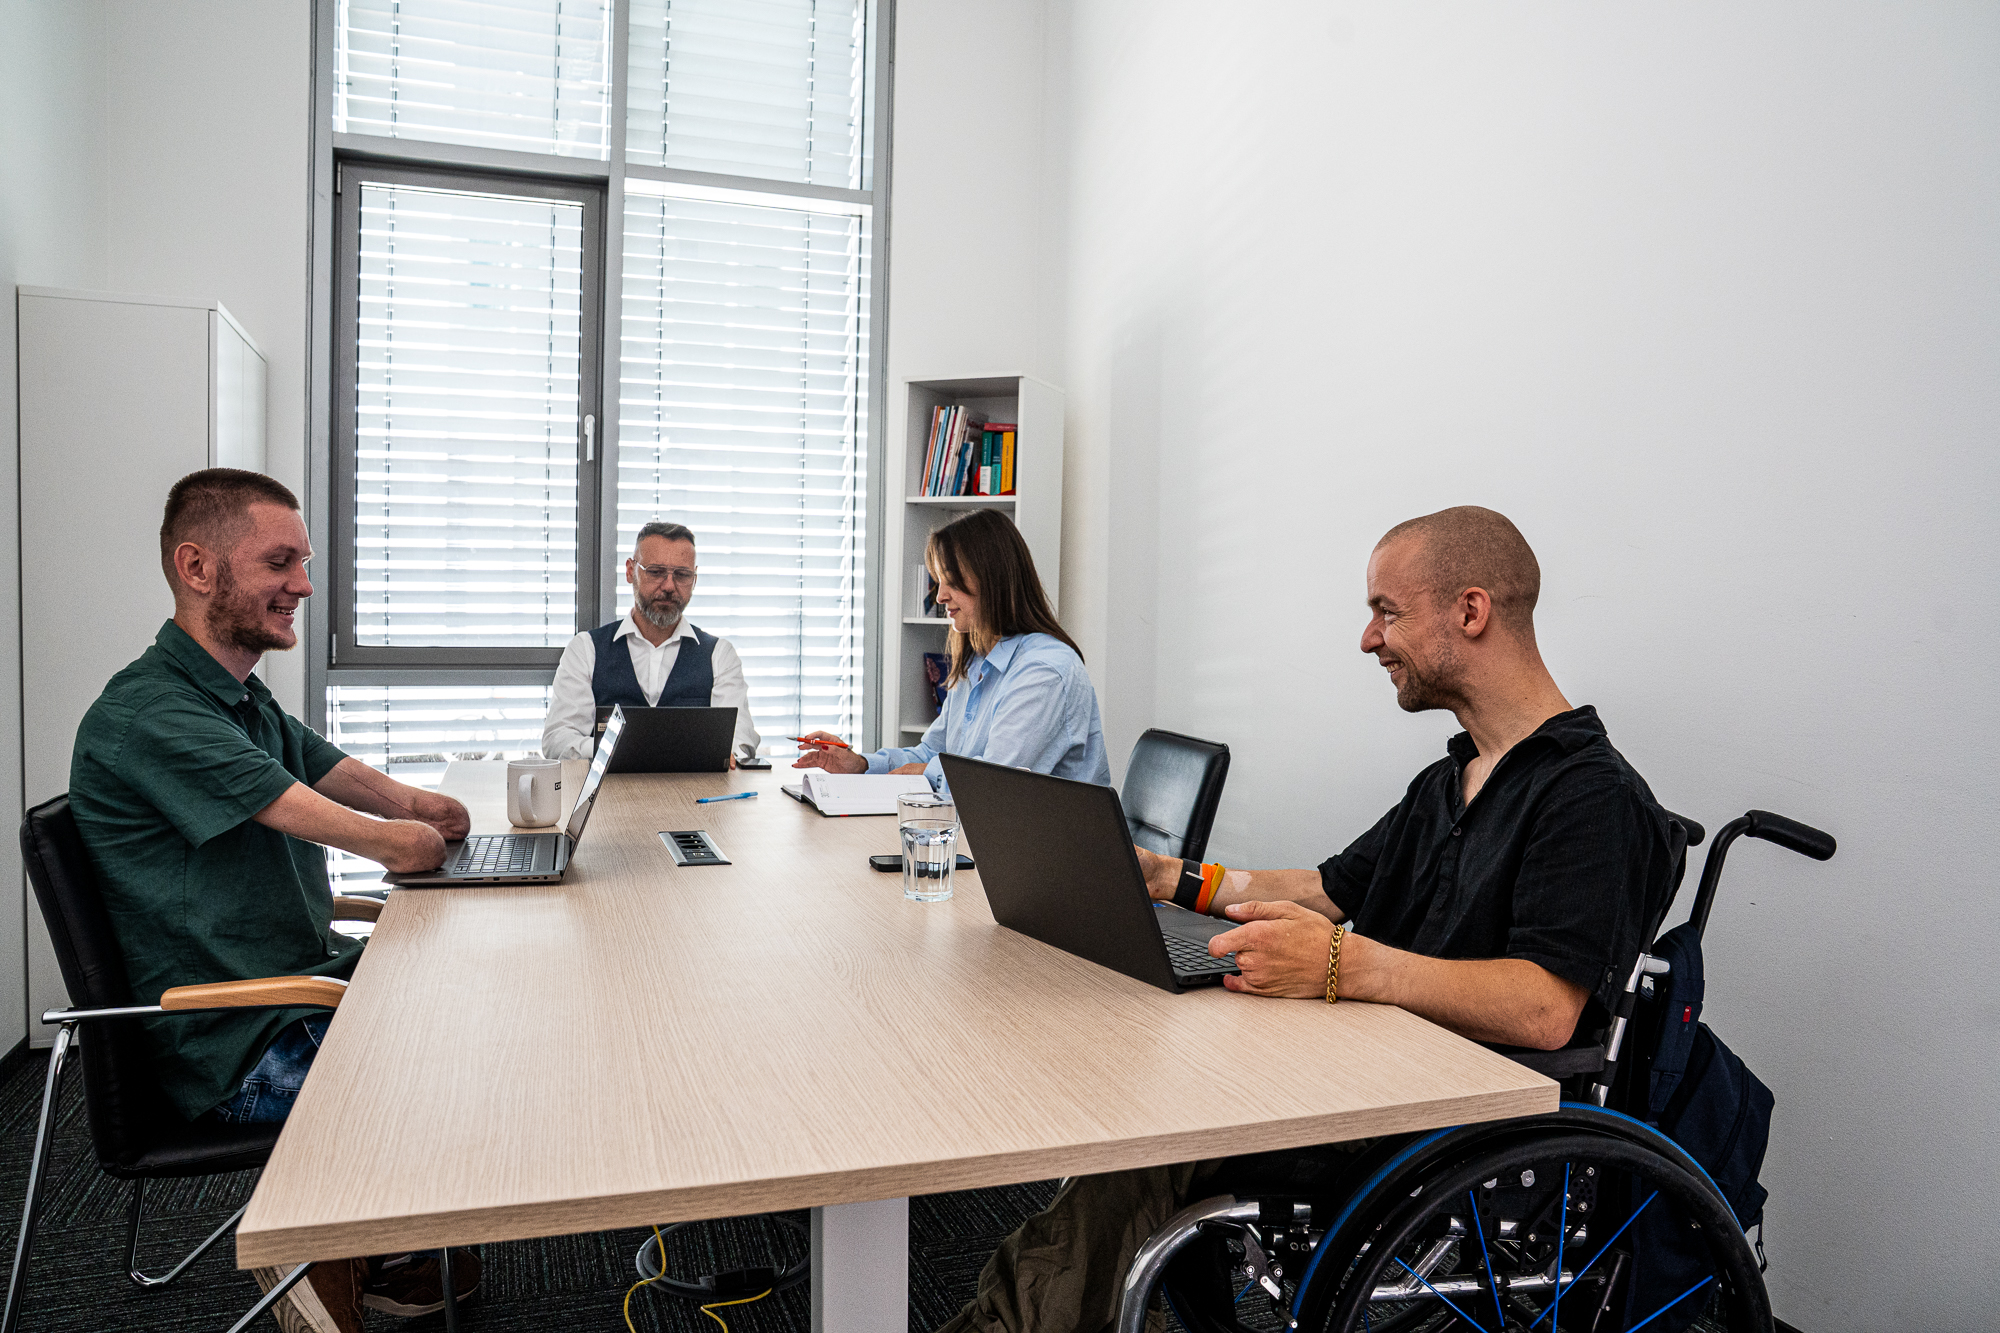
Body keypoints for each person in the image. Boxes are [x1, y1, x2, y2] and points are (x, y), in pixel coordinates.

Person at [936, 506, 1675, 1333]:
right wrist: (1173, 877)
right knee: (1149, 1093)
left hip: (1434, 1125)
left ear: (1471, 611)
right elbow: (1326, 887)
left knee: (1158, 1126)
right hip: (1369, 1072)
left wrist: (1341, 964)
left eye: (1387, 611)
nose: (1369, 638)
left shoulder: (1591, 796)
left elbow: (1544, 1008)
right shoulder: (1455, 780)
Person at [69, 469, 478, 1333]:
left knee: (470, 1007)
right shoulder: (153, 713)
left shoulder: (237, 695)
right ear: (197, 568)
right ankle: (312, 1249)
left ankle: (376, 1246)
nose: (304, 584)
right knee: (458, 1059)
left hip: (291, 991)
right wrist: (410, 836)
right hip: (235, 1045)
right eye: (280, 562)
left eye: (305, 562)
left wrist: (423, 804)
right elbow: (366, 834)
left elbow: (342, 775)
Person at [793, 509, 1108, 797]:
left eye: (952, 581)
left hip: (1040, 840)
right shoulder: (977, 661)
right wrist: (860, 764)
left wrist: (925, 773)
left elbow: (993, 783)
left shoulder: (1043, 671)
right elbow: (932, 753)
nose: (940, 596)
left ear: (992, 579)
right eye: (939, 580)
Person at [541, 520, 761, 764]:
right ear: (630, 571)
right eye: (656, 572)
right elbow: (558, 738)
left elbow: (739, 741)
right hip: (610, 788)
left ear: (694, 579)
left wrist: (725, 752)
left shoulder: (719, 655)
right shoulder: (586, 650)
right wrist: (613, 750)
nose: (668, 586)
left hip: (695, 789)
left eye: (682, 575)